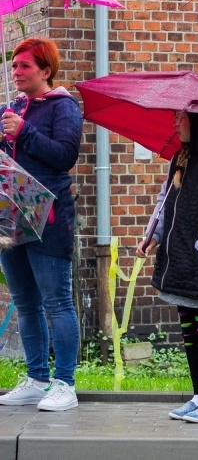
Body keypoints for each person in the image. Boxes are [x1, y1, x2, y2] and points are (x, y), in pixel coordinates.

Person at [136, 110, 198, 424]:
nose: (175, 122)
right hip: (179, 261)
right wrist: (152, 235)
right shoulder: (180, 160)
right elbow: (163, 202)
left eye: (182, 117)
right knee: (190, 331)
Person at [0, 38, 83, 411]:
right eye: (14, 66)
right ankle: (36, 379)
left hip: (49, 219)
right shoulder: (12, 108)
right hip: (11, 218)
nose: (16, 72)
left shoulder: (63, 107)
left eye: (24, 67)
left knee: (57, 302)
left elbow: (64, 156)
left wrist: (25, 132)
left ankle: (65, 383)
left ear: (45, 71)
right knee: (25, 302)